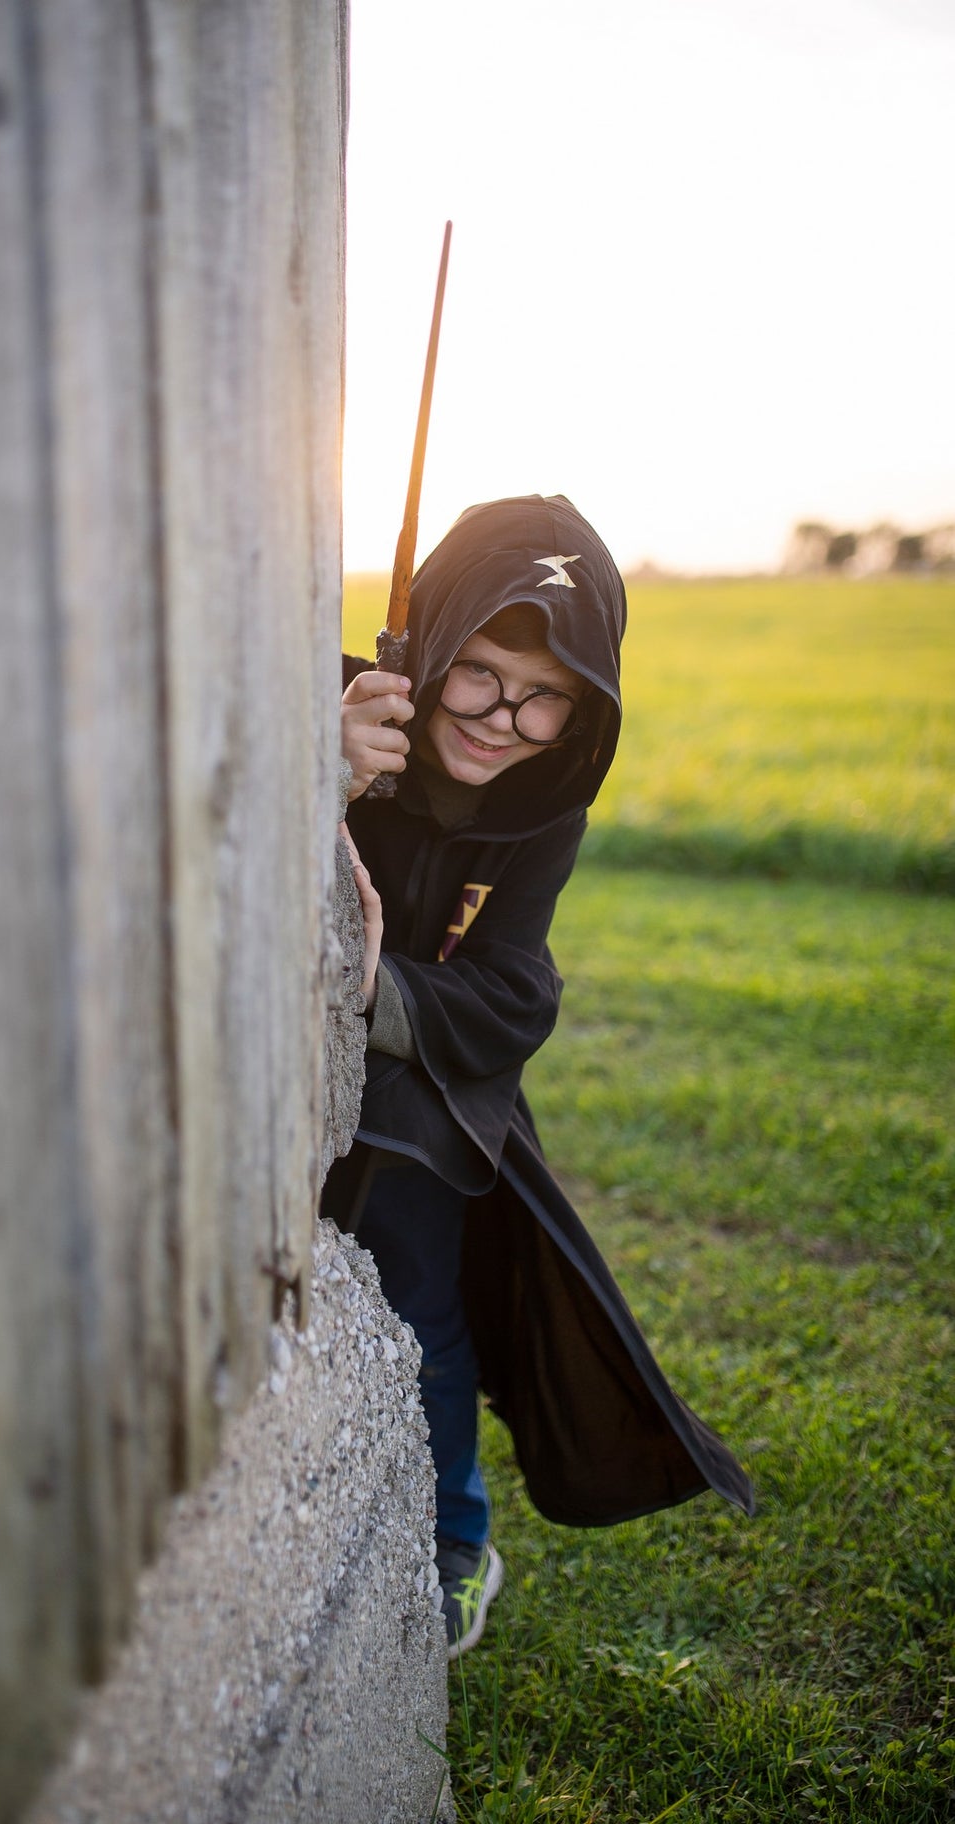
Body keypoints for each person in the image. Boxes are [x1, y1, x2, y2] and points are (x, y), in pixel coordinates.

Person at [322, 493, 753, 1659]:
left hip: (422, 1085)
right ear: (435, 638)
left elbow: (517, 990)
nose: (503, 719)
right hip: (270, 1078)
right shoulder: (337, 699)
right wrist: (318, 758)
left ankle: (457, 1538)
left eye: (545, 695)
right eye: (479, 676)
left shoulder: (539, 809)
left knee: (422, 1294)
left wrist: (377, 992)